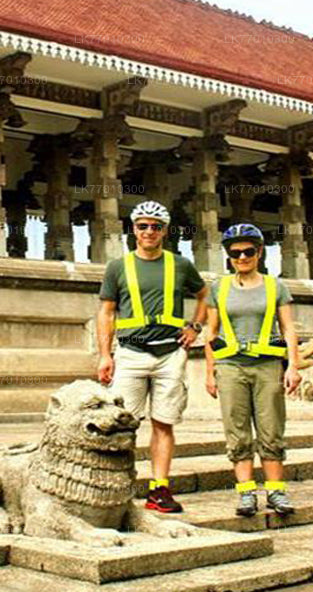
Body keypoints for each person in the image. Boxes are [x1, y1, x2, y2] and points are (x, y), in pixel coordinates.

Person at [96, 200, 209, 513]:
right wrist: (105, 355)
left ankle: (159, 489)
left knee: (164, 423)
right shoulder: (118, 267)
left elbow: (204, 295)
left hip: (170, 354)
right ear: (133, 230)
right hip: (130, 354)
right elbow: (106, 312)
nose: (149, 231)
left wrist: (195, 327)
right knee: (122, 424)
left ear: (164, 231)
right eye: (143, 226)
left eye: (155, 227)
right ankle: (118, 485)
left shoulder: (180, 264)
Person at [203, 223, 302, 517]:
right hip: (230, 365)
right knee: (237, 430)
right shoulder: (219, 287)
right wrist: (210, 372)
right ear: (228, 256)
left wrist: (293, 366)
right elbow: (211, 332)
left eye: (248, 251)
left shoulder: (275, 286)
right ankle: (246, 494)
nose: (242, 257)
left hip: (267, 365)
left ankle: (276, 491)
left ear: (259, 252)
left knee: (271, 428)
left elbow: (288, 328)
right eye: (235, 253)